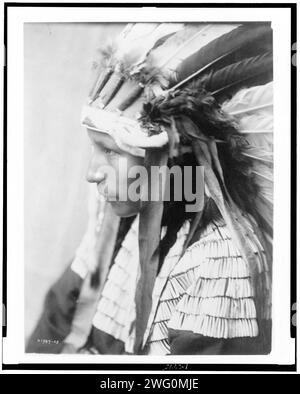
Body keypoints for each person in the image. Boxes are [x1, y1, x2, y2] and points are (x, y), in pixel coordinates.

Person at [27, 22, 273, 355]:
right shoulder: (115, 214)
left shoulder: (219, 259)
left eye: (112, 151)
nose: (92, 174)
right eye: (95, 149)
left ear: (168, 164)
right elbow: (55, 322)